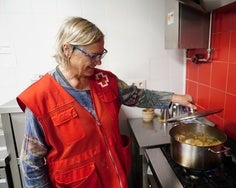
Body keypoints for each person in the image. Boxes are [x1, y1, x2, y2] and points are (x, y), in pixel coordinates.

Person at [16, 16, 196, 188]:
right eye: (93, 55)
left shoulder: (106, 81)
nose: (99, 61)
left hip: (114, 179)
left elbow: (136, 95)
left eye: (101, 54)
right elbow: (31, 163)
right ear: (67, 49)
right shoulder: (41, 97)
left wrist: (174, 98)